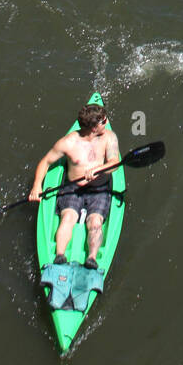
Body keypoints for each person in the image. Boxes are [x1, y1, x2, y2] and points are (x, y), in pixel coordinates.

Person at [29, 102, 120, 268]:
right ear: (94, 127)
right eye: (104, 121)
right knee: (68, 217)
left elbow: (115, 162)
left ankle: (92, 259)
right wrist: (36, 186)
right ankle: (59, 256)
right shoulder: (68, 143)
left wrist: (98, 169)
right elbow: (46, 161)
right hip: (73, 187)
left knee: (95, 221)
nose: (107, 122)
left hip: (99, 188)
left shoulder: (109, 136)